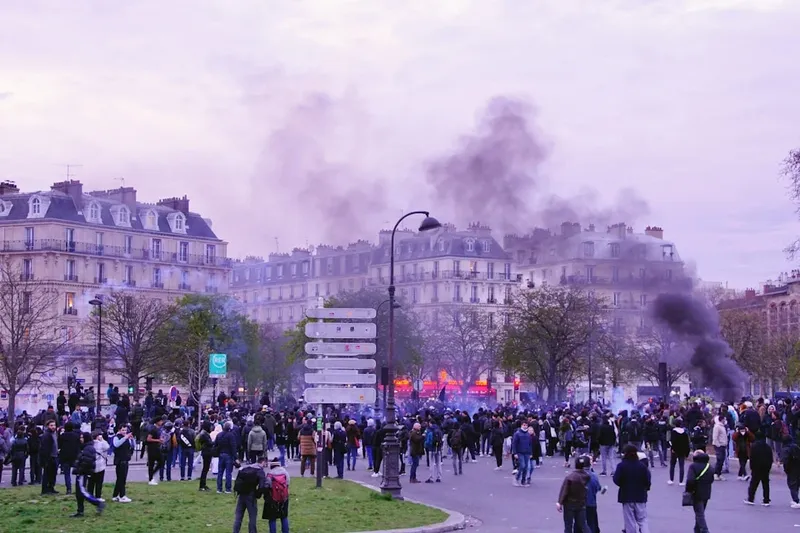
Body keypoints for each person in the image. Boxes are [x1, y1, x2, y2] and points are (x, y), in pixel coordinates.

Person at [613, 444, 651, 533]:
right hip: (640, 496)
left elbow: (616, 479)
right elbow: (647, 480)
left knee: (629, 520)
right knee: (642, 519)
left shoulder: (621, 466)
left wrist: (622, 484)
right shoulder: (642, 466)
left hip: (626, 495)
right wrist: (646, 488)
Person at [72, 432, 105, 518]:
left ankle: (97, 503)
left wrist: (79, 470)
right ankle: (80, 511)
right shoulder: (86, 447)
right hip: (82, 472)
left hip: (82, 473)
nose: (80, 439)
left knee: (82, 492)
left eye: (82, 437)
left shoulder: (88, 448)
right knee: (79, 493)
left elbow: (87, 461)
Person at [556, 454, 591, 533]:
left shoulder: (570, 477)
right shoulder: (587, 477)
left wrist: (560, 502)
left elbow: (564, 490)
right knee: (583, 524)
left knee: (568, 525)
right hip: (581, 503)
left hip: (570, 503)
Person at [233, 455, 268, 533]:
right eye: (265, 463)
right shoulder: (260, 471)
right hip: (251, 495)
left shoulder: (246, 468)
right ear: (263, 462)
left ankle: (235, 531)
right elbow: (262, 485)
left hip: (241, 494)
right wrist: (258, 495)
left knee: (238, 516)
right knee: (252, 516)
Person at [685, 449, 714, 533]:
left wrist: (689, 490)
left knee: (699, 513)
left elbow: (690, 480)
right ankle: (696, 530)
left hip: (696, 492)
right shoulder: (709, 467)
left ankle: (705, 530)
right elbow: (711, 479)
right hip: (707, 493)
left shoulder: (693, 466)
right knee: (700, 512)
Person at [744, 431, 773, 506]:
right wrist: (769, 467)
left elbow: (752, 458)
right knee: (765, 484)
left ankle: (751, 499)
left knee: (753, 484)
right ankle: (766, 500)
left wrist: (752, 467)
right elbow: (771, 458)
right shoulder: (767, 447)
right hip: (765, 467)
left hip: (757, 467)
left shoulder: (754, 446)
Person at [262, 457, 290, 533]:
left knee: (272, 518)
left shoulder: (270, 474)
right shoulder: (285, 472)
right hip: (284, 498)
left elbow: (266, 487)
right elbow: (287, 484)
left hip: (273, 498)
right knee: (284, 517)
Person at [112, 425, 135, 503]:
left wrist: (131, 439)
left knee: (121, 479)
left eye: (125, 430)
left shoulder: (126, 437)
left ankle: (115, 495)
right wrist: (125, 437)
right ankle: (122, 496)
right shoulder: (116, 437)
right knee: (121, 479)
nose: (124, 431)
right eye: (122, 430)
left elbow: (132, 446)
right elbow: (116, 444)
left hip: (126, 460)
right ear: (119, 430)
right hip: (120, 461)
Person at [88, 430, 109, 500]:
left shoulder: (89, 444)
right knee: (99, 482)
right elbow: (107, 447)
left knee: (91, 482)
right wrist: (102, 439)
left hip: (91, 466)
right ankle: (98, 496)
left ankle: (89, 495)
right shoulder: (101, 443)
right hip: (100, 466)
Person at [668, 418, 690, 486]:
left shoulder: (673, 432)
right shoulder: (684, 432)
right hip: (682, 451)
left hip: (674, 451)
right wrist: (687, 452)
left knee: (672, 465)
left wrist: (673, 448)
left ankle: (671, 479)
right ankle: (681, 481)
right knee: (681, 466)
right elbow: (687, 443)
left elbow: (672, 441)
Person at [146, 417, 166, 485]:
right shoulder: (153, 429)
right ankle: (151, 478)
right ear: (157, 422)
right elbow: (148, 439)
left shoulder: (157, 429)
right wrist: (158, 440)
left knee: (161, 461)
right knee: (152, 463)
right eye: (161, 421)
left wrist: (160, 441)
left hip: (156, 447)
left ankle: (151, 475)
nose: (162, 422)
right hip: (152, 448)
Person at [782, 434, 800, 508]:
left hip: (791, 469)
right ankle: (796, 499)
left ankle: (796, 500)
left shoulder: (786, 449)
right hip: (798, 467)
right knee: (797, 484)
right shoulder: (796, 447)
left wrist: (786, 469)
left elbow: (786, 461)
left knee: (792, 485)